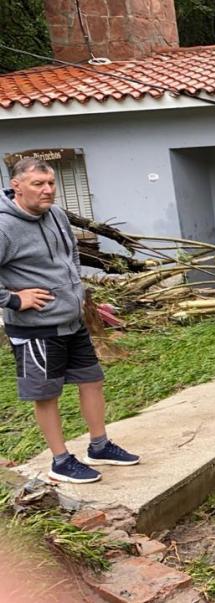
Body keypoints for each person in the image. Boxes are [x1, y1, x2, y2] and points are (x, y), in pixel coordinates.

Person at [0, 157, 139, 484]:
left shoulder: (57, 215)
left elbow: (71, 255)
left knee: (92, 380)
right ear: (16, 186)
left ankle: (99, 445)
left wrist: (74, 289)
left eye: (50, 184)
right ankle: (60, 461)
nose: (47, 190)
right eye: (38, 184)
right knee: (46, 394)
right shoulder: (4, 226)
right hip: (36, 329)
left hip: (71, 319)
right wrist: (15, 299)